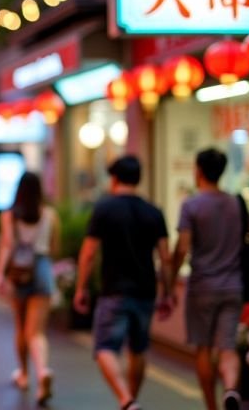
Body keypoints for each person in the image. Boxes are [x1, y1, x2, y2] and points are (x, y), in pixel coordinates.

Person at [74, 155, 174, 410]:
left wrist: (81, 287)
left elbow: (88, 252)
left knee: (104, 347)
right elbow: (165, 257)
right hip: (145, 291)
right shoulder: (154, 211)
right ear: (138, 179)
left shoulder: (105, 208)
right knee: (138, 349)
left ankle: (126, 399)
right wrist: (169, 292)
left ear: (115, 178)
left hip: (114, 291)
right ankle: (131, 400)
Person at [172, 148, 249, 410]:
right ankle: (230, 389)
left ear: (199, 171)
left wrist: (170, 280)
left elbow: (182, 247)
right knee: (227, 347)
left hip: (202, 287)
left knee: (204, 347)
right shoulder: (236, 202)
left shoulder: (192, 205)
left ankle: (211, 406)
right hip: (233, 285)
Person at [0, 172, 59, 405]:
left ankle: (24, 374)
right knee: (37, 332)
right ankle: (42, 371)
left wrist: (0, 274)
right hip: (41, 269)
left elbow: (7, 245)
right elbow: (54, 247)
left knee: (21, 326)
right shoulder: (50, 215)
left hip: (18, 272)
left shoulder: (10, 215)